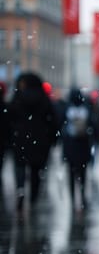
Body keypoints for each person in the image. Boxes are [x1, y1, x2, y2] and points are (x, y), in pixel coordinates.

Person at [7, 72, 58, 213]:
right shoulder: (44, 100)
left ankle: (20, 193)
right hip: (39, 142)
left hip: (20, 140)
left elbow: (9, 119)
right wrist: (52, 139)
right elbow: (53, 121)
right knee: (36, 172)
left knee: (20, 169)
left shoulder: (17, 98)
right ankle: (33, 198)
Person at [61, 88, 95, 211]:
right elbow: (93, 127)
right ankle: (82, 198)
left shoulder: (67, 110)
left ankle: (72, 199)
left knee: (71, 175)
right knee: (82, 175)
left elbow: (61, 126)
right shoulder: (86, 110)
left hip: (70, 148)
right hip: (83, 148)